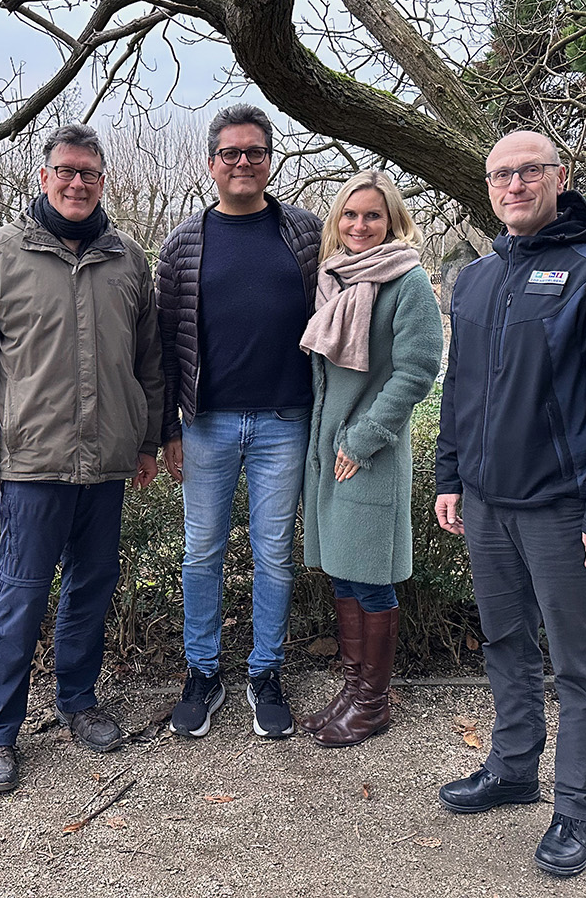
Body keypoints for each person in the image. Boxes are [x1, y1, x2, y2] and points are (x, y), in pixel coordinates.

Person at [434, 131, 586, 876]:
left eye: (529, 170)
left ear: (560, 176)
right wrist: (449, 474)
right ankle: (513, 766)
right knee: (504, 643)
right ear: (488, 185)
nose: (514, 183)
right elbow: (459, 388)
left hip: (562, 509)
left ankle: (577, 811)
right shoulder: (475, 278)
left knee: (579, 666)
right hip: (487, 506)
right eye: (500, 173)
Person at [0, 123, 165, 794]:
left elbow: (149, 364)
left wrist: (146, 441)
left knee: (90, 590)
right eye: (65, 170)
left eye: (90, 173)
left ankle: (78, 700)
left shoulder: (130, 258)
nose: (77, 183)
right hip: (30, 466)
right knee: (19, 598)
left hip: (106, 466)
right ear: (43, 177)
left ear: (104, 181)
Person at [156, 104, 322, 739]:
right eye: (231, 153)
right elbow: (165, 344)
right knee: (202, 553)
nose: (243, 162)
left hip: (286, 419)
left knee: (274, 554)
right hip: (208, 424)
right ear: (211, 165)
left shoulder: (304, 234)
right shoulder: (184, 244)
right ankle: (202, 671)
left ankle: (265, 671)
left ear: (270, 160)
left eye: (254, 152)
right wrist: (167, 429)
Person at [296, 171, 443, 748]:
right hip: (326, 449)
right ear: (338, 220)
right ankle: (354, 689)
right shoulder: (331, 280)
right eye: (351, 215)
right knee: (343, 569)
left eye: (373, 216)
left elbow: (418, 368)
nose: (360, 226)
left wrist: (362, 438)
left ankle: (373, 702)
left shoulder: (407, 280)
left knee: (371, 575)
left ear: (393, 222)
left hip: (369, 451)